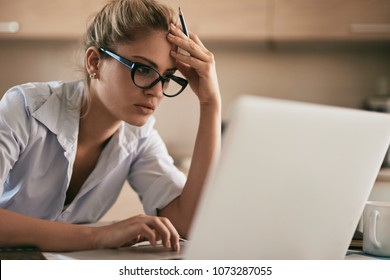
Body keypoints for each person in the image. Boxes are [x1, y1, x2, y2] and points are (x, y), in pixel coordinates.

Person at [0, 0, 221, 252]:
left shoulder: (139, 137)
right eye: (143, 69)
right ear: (94, 62)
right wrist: (99, 236)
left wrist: (210, 102)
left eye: (167, 77)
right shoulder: (24, 108)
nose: (157, 91)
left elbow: (189, 224)